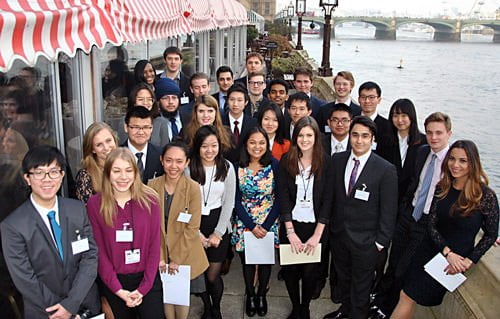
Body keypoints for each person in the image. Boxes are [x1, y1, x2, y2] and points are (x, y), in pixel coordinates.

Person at [391, 140, 499, 319]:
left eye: (463, 161)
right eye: (452, 159)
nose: (455, 165)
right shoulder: (443, 187)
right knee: (406, 294)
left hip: (452, 263)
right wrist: (447, 251)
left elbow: (491, 234)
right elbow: (432, 225)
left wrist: (470, 260)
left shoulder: (485, 196)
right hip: (431, 249)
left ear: (473, 163)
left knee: (407, 296)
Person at [1, 145, 100, 318]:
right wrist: (61, 310)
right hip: (45, 312)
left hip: (85, 306)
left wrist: (71, 304)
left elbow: (90, 256)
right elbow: (25, 278)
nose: (47, 179)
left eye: (53, 171)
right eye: (38, 173)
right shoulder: (13, 226)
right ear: (27, 178)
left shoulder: (77, 209)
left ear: (62, 175)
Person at [370, 112, 452, 319]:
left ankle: (389, 308)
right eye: (430, 132)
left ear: (449, 134)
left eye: (439, 133)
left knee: (403, 269)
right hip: (409, 215)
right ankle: (379, 302)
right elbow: (413, 181)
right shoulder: (423, 152)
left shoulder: (454, 162)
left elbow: (473, 193)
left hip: (427, 223)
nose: (434, 137)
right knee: (393, 262)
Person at [323, 116, 398, 319]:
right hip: (339, 237)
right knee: (344, 281)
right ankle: (345, 311)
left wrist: (380, 243)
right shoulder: (337, 161)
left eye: (365, 136)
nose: (359, 140)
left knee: (361, 287)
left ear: (372, 139)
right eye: (355, 135)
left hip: (367, 242)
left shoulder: (385, 169)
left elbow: (389, 211)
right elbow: (331, 198)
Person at [87, 148, 162, 318]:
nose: (123, 177)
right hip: (114, 281)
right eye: (116, 171)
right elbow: (99, 251)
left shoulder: (150, 200)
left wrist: (143, 289)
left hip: (147, 280)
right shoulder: (95, 204)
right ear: (107, 173)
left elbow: (154, 246)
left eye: (128, 170)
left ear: (136, 173)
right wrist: (118, 290)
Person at [147, 140, 209, 319]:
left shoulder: (193, 188)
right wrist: (158, 256)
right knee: (166, 296)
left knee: (181, 298)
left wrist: (177, 259)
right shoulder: (151, 187)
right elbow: (150, 227)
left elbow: (193, 227)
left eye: (179, 161)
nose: (173, 166)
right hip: (160, 251)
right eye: (168, 160)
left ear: (187, 163)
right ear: (161, 160)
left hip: (185, 250)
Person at [278, 117, 332, 319]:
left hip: (315, 228)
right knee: (291, 272)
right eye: (300, 135)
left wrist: (318, 235)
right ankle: (295, 306)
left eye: (309, 135)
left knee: (310, 273)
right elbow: (282, 197)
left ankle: (305, 306)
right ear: (295, 137)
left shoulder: (326, 162)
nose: (305, 139)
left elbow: (328, 200)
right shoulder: (287, 160)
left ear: (316, 137)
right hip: (292, 226)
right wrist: (290, 232)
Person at [188, 126, 236, 319]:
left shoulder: (227, 167)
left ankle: (216, 307)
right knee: (199, 274)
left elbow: (229, 202)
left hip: (219, 223)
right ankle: (207, 307)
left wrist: (218, 233)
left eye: (214, 145)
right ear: (197, 147)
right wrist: (196, 232)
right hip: (195, 224)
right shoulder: (188, 167)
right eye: (205, 146)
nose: (209, 150)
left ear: (219, 145)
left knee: (212, 275)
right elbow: (184, 204)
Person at [232, 126, 280, 317]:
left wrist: (266, 226)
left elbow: (279, 197)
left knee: (266, 262)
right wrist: (251, 226)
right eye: (253, 142)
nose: (257, 146)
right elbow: (235, 199)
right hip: (245, 222)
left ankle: (262, 295)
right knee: (248, 263)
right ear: (245, 144)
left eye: (262, 142)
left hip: (269, 221)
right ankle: (251, 295)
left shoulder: (275, 165)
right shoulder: (237, 167)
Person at [76, 122, 118, 204]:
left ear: (114, 140)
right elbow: (87, 211)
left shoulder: (127, 166)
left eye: (108, 141)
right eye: (99, 145)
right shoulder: (85, 176)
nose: (106, 148)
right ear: (92, 149)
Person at [122, 106, 164, 183]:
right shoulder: (116, 154)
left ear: (152, 128)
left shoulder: (161, 154)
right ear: (126, 127)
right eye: (136, 127)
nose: (141, 132)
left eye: (146, 127)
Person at [222, 84, 258, 163]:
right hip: (224, 165)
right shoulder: (219, 122)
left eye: (239, 100)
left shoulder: (253, 123)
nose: (235, 104)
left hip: (246, 166)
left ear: (246, 102)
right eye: (232, 99)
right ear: (227, 101)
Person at [357, 81, 392, 160]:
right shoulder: (351, 122)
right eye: (363, 97)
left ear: (379, 100)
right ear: (359, 99)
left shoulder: (387, 126)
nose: (367, 101)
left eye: (371, 97)